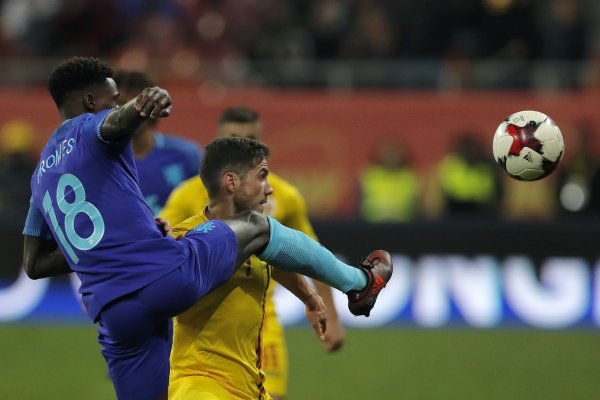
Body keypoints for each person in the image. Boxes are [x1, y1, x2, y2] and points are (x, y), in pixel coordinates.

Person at [21, 57, 393, 400]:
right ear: (89, 102)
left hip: (113, 314)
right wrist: (143, 103)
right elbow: (114, 124)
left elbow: (34, 264)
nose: (116, 105)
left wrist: (106, 249)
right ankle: (360, 284)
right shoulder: (90, 127)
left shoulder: (39, 178)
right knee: (257, 226)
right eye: (113, 99)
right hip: (159, 278)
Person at [160, 106, 345, 399]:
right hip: (202, 337)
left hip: (262, 325)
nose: (243, 146)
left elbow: (305, 256)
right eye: (234, 139)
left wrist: (326, 311)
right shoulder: (188, 195)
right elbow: (161, 241)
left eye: (251, 139)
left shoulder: (285, 196)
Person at [113, 70, 202, 215]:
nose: (133, 111)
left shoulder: (187, 155)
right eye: (123, 104)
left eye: (139, 102)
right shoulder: (103, 160)